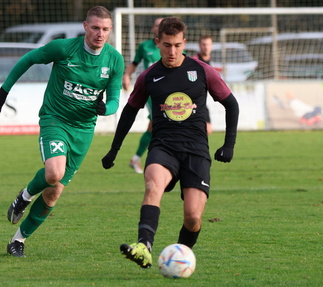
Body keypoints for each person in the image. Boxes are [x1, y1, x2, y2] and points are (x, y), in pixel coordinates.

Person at [0, 6, 123, 258]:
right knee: (54, 173)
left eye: (104, 29)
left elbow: (115, 100)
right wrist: (3, 90)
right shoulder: (63, 48)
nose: (99, 34)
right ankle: (25, 196)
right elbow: (29, 59)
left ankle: (18, 240)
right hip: (55, 120)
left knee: (54, 192)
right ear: (85, 26)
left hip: (83, 131)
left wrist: (106, 108)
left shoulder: (114, 59)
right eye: (95, 28)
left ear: (110, 30)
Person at [101, 17, 239, 268]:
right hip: (163, 147)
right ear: (158, 43)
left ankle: (180, 257)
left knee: (193, 217)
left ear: (184, 42)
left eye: (177, 45)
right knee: (152, 184)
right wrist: (114, 149)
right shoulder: (149, 76)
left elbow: (231, 103)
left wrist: (229, 144)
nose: (172, 51)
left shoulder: (201, 70)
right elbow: (130, 111)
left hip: (196, 151)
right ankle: (144, 246)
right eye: (166, 45)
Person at [122, 18, 163, 174]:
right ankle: (143, 159)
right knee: (157, 123)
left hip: (167, 92)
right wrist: (126, 76)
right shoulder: (145, 46)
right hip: (151, 92)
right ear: (153, 28)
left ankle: (138, 159)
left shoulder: (168, 47)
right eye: (157, 25)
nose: (159, 28)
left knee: (154, 127)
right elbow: (134, 62)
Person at [192, 34, 214, 134]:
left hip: (202, 102)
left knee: (207, 129)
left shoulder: (210, 62)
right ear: (199, 46)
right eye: (204, 44)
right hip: (192, 101)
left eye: (208, 44)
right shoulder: (194, 62)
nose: (206, 47)